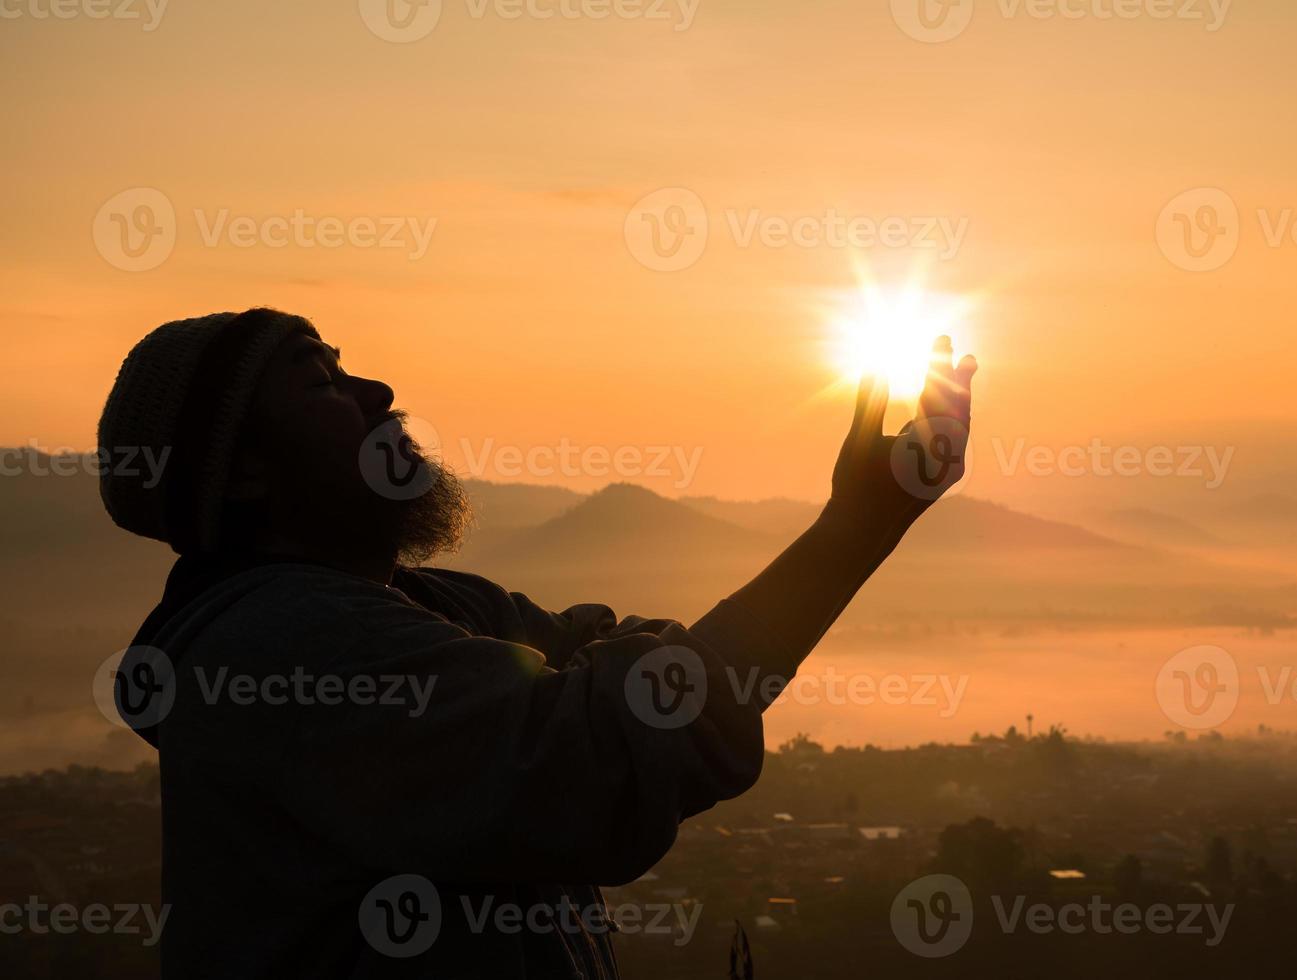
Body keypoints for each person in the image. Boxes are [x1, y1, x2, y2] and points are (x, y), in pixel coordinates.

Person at [97, 307, 977, 978]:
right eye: (321, 382)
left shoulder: (434, 605)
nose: (377, 393)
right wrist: (858, 525)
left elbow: (637, 679)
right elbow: (614, 742)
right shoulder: (286, 648)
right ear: (243, 470)